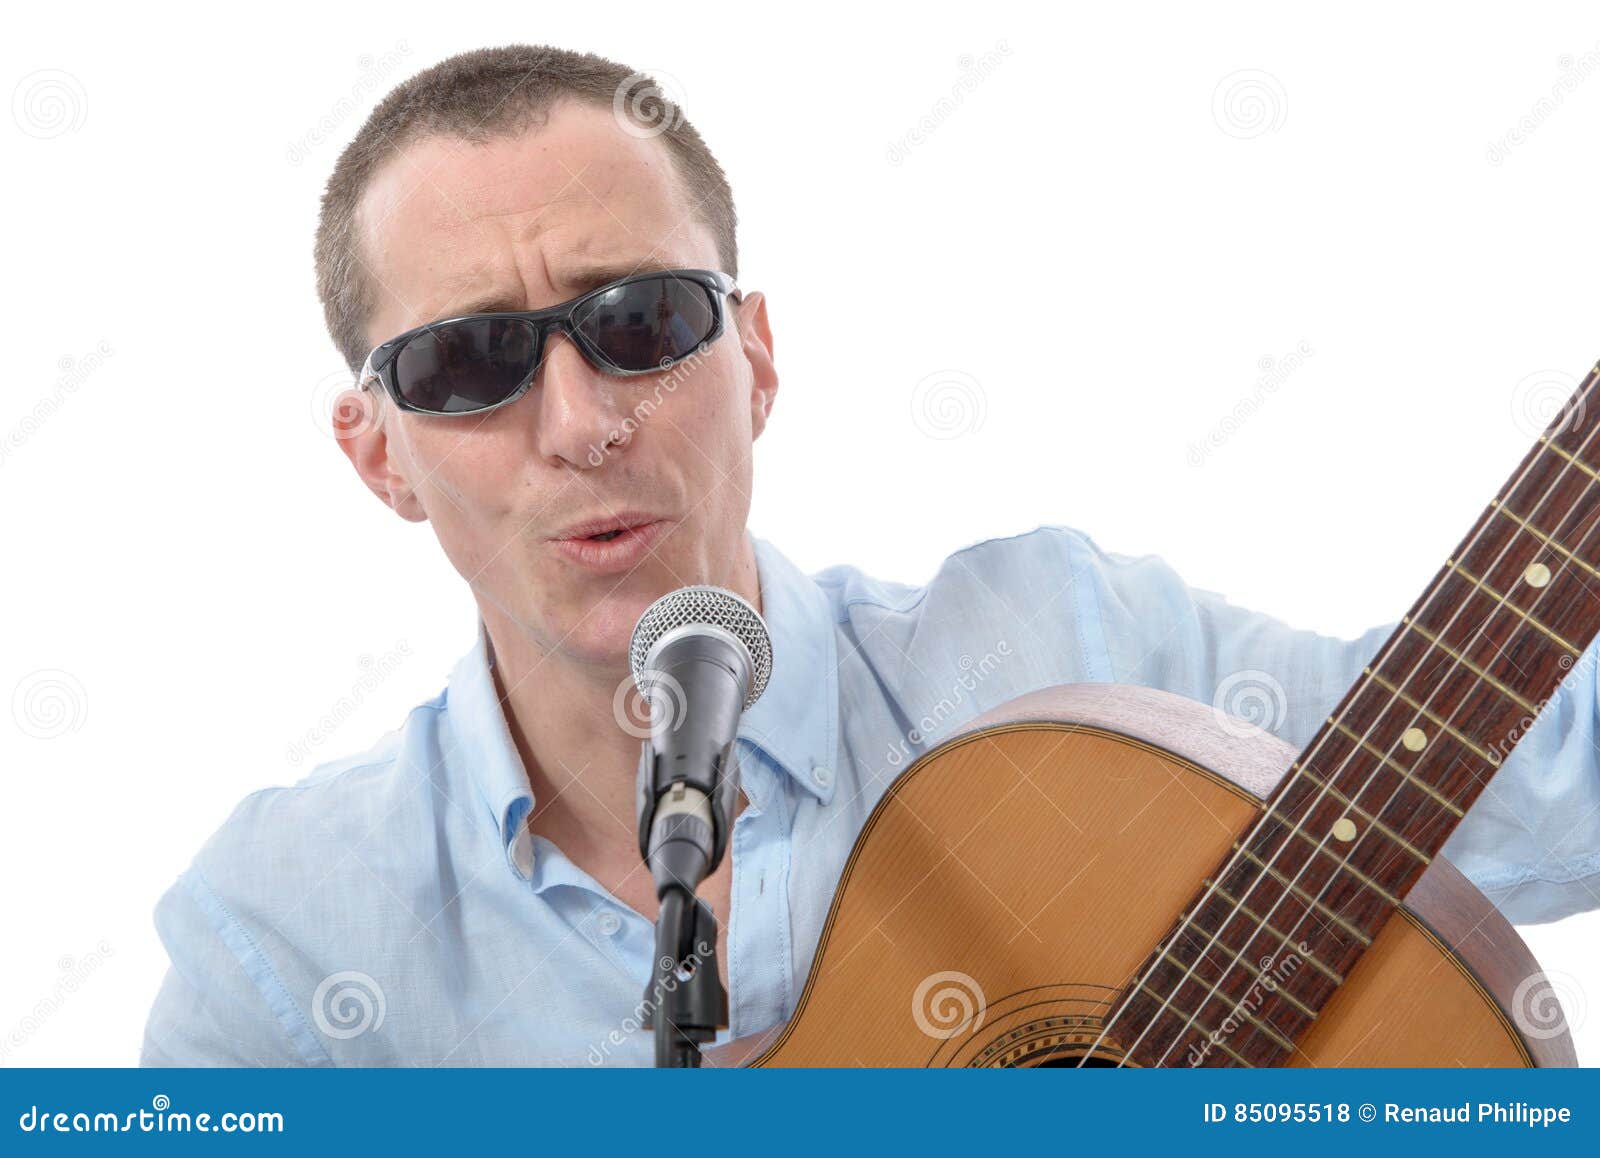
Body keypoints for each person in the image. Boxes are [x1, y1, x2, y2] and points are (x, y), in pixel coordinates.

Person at [140, 44, 1600, 1067]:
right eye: (470, 363)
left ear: (757, 360)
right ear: (378, 449)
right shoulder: (282, 942)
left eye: (641, 322)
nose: (580, 422)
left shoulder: (1071, 661)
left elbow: (1540, 781)